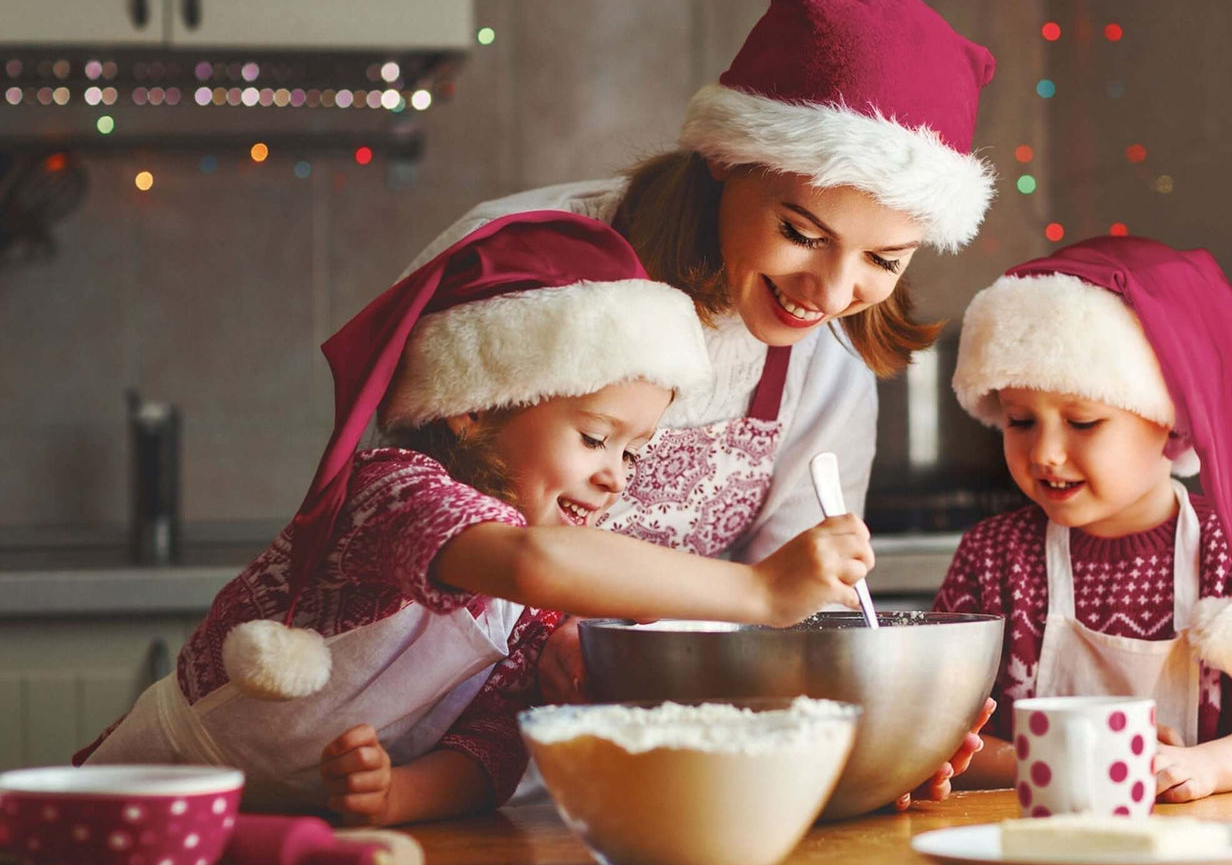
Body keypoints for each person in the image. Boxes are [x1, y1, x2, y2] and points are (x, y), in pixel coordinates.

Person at [405, 0, 1000, 806]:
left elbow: (784, 621)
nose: (830, 294)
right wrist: (544, 637)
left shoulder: (825, 379)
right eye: (802, 232)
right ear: (726, 159)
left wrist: (878, 741)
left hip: (641, 778)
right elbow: (386, 503)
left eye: (883, 260)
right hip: (409, 758)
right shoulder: (517, 259)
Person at [74, 212, 875, 826]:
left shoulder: (541, 600)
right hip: (147, 788)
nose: (614, 476)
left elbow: (488, 753)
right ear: (471, 409)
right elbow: (531, 563)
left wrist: (393, 797)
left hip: (300, 835)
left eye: (633, 454)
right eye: (596, 437)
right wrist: (762, 592)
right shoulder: (393, 490)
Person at [936, 235, 1232, 802]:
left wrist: (1206, 767)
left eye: (1084, 422)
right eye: (1020, 421)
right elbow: (939, 739)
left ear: (1172, 420)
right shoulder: (993, 557)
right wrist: (1076, 761)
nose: (1045, 452)